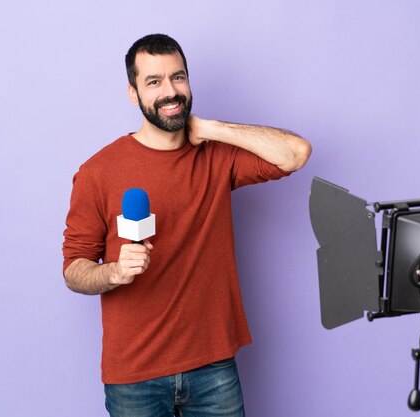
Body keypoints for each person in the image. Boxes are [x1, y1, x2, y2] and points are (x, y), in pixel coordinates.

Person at [62, 33, 311, 417]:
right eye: (154, 81)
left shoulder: (215, 158)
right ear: (133, 94)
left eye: (178, 77)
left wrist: (210, 129)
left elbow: (295, 154)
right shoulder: (98, 173)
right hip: (134, 376)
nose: (170, 91)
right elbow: (74, 270)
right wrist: (114, 272)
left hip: (213, 367)